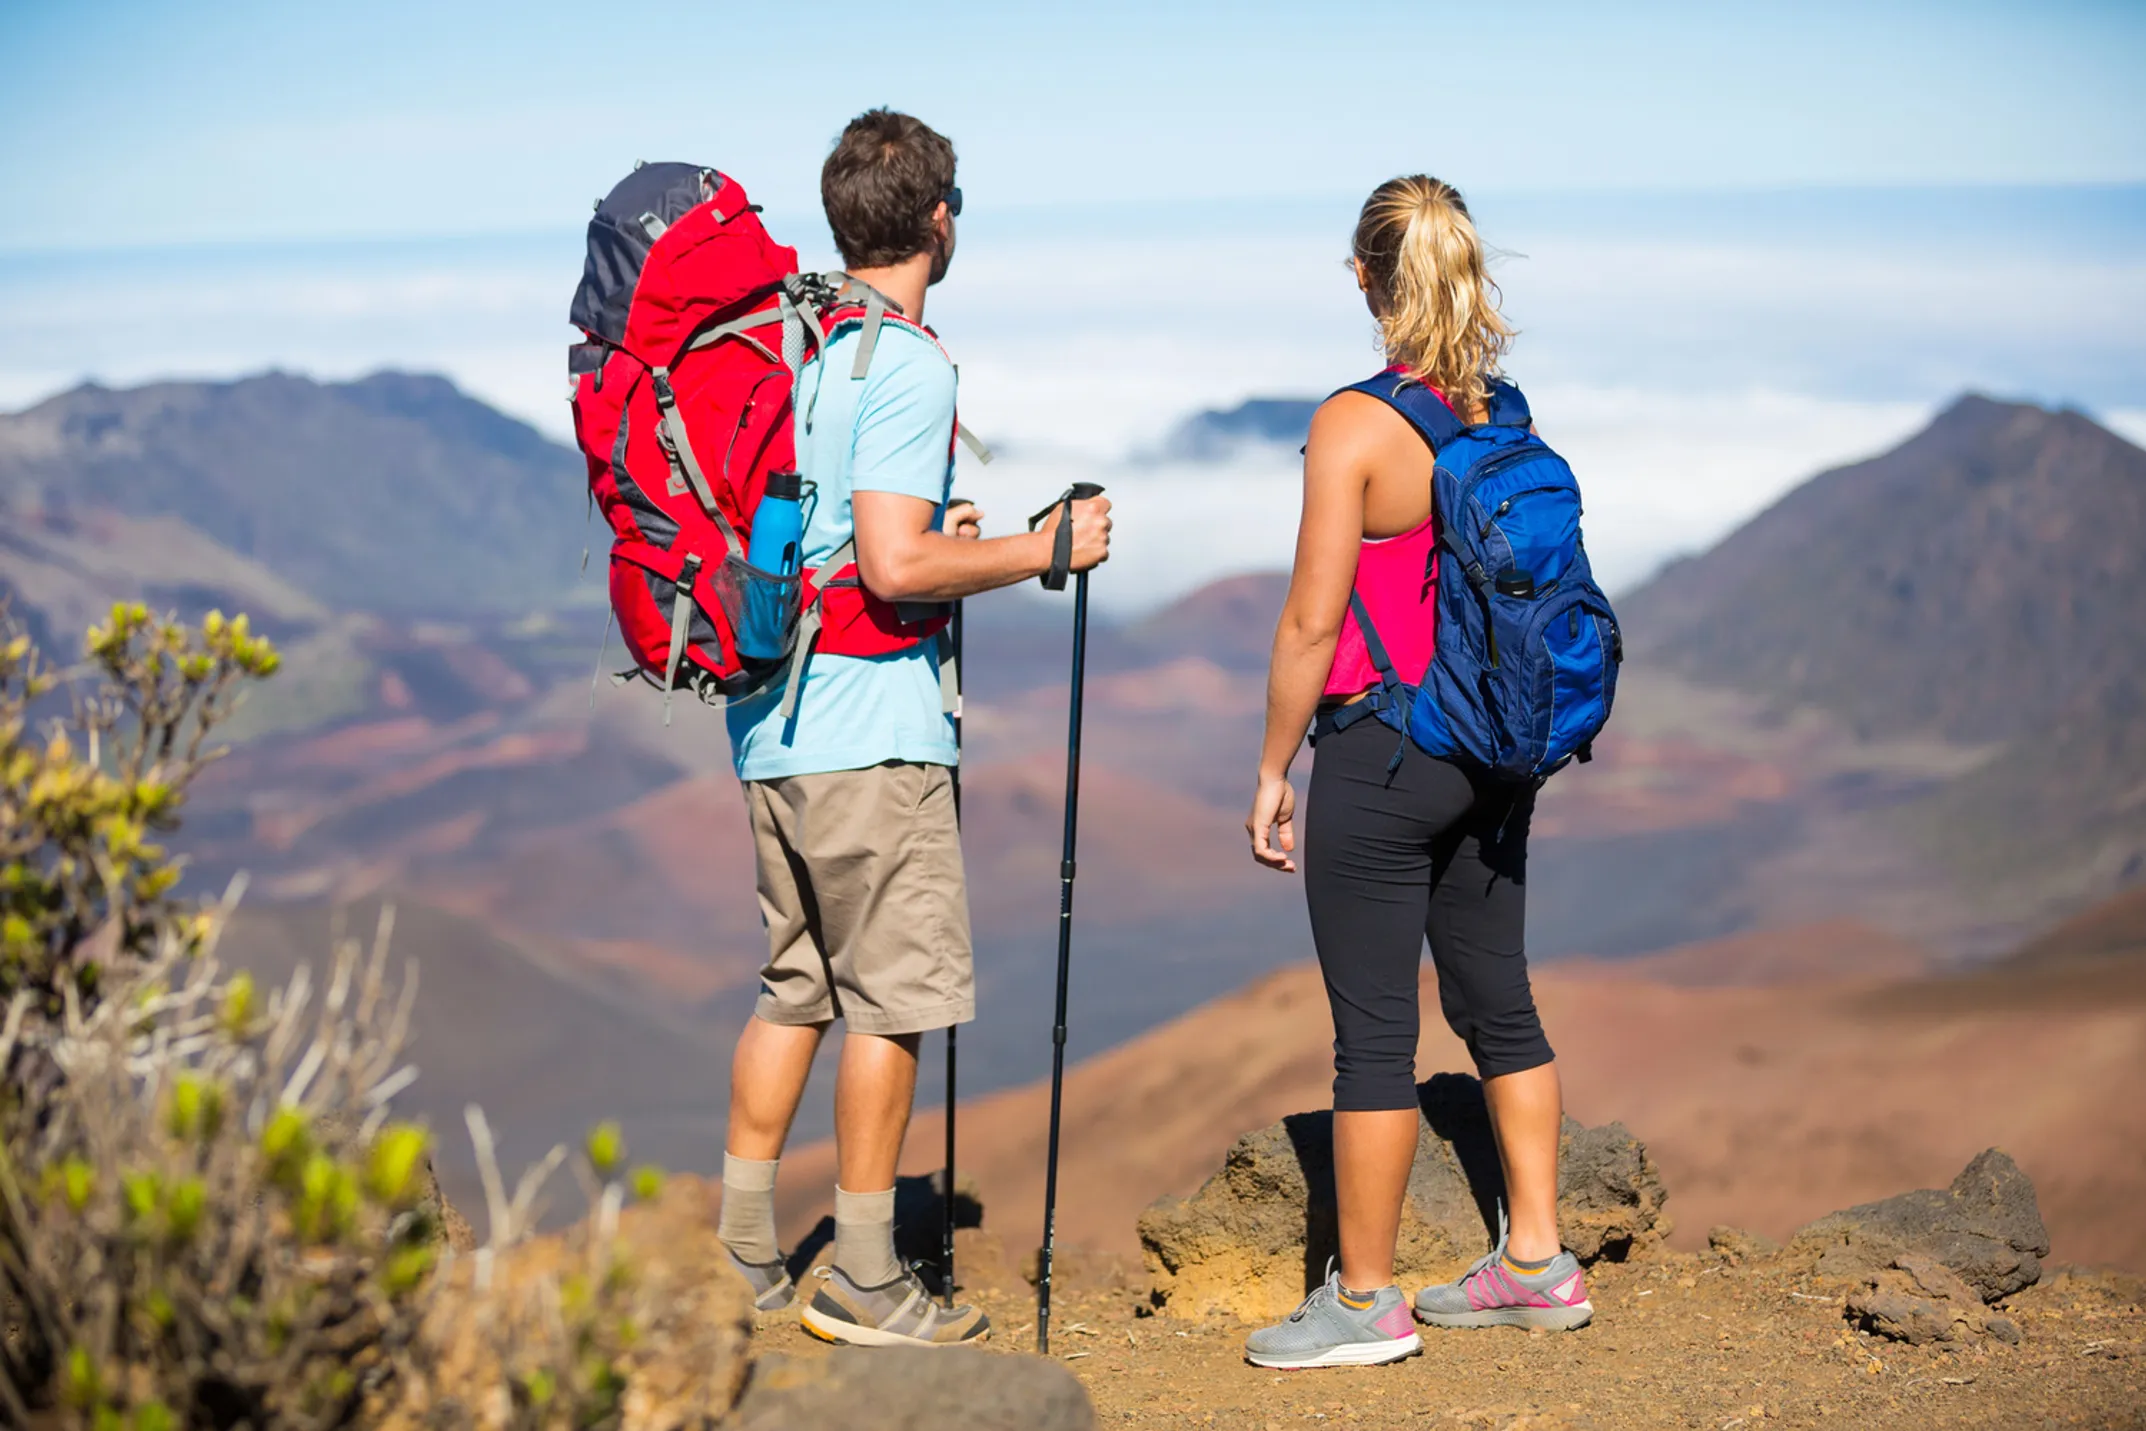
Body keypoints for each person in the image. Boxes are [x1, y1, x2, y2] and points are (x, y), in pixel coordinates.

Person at [713, 109, 1112, 1347]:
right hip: (866, 729)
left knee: (796, 987)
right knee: (894, 1001)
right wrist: (1046, 548)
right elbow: (889, 565)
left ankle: (739, 1255)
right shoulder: (911, 361)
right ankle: (868, 1276)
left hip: (771, 719)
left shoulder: (798, 339)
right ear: (939, 220)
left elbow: (843, 529)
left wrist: (952, 537)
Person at [1240, 175, 1590, 1370]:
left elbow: (1307, 624)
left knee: (1374, 1036)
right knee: (1501, 1002)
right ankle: (1537, 1262)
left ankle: (1364, 1303)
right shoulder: (1502, 411)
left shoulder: (1352, 424)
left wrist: (1273, 766)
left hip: (1383, 756)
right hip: (1495, 753)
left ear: (1362, 278)